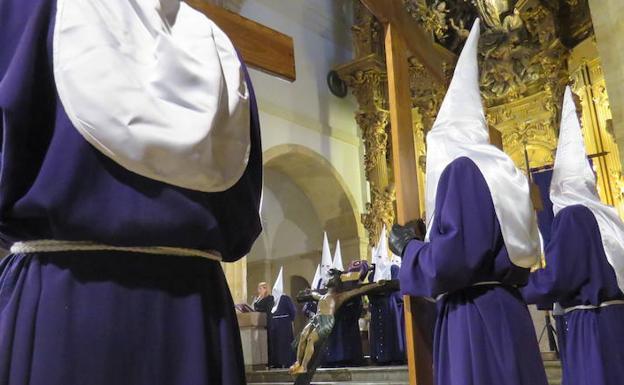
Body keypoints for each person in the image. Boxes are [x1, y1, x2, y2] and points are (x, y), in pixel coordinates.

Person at [0, 2, 262, 384]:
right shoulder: (221, 46)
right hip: (195, 316)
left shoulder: (31, 9)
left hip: (62, 306)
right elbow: (241, 213)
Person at [390, 19, 548, 385]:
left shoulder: (464, 169)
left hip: (474, 320)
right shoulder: (502, 171)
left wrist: (409, 248)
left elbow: (452, 261)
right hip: (509, 312)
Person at [522, 86, 624, 385]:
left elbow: (558, 277)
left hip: (590, 325)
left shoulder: (572, 216)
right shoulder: (607, 214)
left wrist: (518, 288)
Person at [268, 267, 297, 368]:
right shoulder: (273, 301)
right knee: (276, 345)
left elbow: (293, 311)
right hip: (275, 326)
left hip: (284, 326)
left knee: (285, 344)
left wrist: (289, 320)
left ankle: (288, 361)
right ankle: (277, 362)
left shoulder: (285, 298)